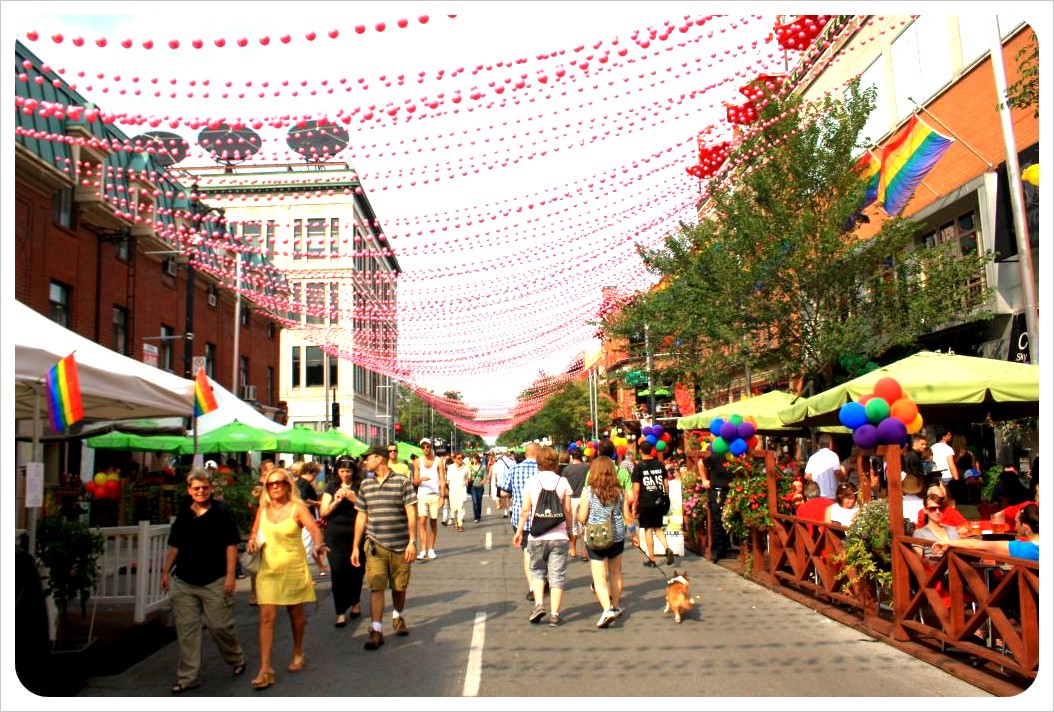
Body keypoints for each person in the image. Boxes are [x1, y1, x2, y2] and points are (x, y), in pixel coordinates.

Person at [160, 469, 246, 694]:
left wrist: (230, 575)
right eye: (196, 488)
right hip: (185, 581)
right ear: (189, 490)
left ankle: (235, 658)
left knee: (219, 626)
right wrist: (165, 571)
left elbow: (231, 543)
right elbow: (175, 545)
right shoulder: (184, 514)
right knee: (187, 631)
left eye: (204, 488)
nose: (200, 491)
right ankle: (188, 677)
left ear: (211, 489)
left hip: (214, 579)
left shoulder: (221, 511)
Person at [245, 468, 326, 690]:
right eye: (270, 484)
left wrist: (319, 545)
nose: (275, 486)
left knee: (296, 615)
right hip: (268, 569)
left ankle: (298, 650)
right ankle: (265, 669)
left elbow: (315, 530)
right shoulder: (263, 509)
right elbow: (254, 532)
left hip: (293, 568)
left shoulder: (297, 508)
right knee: (266, 618)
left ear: (288, 484)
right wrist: (252, 541)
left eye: (279, 482)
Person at [351, 445, 418, 651]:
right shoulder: (365, 485)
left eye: (367, 458)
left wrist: (412, 542)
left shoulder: (402, 482)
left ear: (379, 459)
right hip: (375, 545)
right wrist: (355, 546)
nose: (364, 462)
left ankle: (397, 616)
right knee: (376, 586)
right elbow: (362, 515)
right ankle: (376, 629)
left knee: (399, 587)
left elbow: (411, 513)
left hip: (399, 544)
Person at [513, 446, 573, 627]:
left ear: (538, 462)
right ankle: (555, 614)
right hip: (559, 535)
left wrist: (519, 531)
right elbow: (567, 511)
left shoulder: (532, 482)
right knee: (557, 575)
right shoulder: (563, 482)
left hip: (536, 535)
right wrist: (569, 531)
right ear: (555, 462)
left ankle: (539, 605)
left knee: (538, 571)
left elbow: (525, 510)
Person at [577, 455, 637, 628]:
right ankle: (616, 606)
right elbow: (627, 517)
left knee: (599, 576)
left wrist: (579, 517)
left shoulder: (588, 491)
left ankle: (607, 609)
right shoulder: (619, 491)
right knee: (616, 572)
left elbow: (582, 517)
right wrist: (634, 535)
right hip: (616, 535)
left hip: (595, 536)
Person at [319, 456, 365, 628]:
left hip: (357, 533)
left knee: (356, 570)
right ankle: (340, 611)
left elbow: (368, 507)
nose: (345, 475)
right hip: (335, 535)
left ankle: (355, 602)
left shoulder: (361, 486)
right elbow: (323, 512)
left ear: (354, 472)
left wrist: (354, 499)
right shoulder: (331, 486)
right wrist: (336, 502)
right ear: (337, 471)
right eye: (342, 471)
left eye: (348, 471)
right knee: (338, 572)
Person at [930, 504, 1039, 562]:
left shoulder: (1021, 548)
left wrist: (948, 542)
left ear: (1025, 526)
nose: (1015, 526)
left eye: (1016, 522)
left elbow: (977, 544)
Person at [503, 442, 541, 600]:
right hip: (543, 518)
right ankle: (542, 580)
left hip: (521, 519)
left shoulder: (513, 469)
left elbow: (504, 492)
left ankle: (533, 587)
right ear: (538, 453)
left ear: (525, 453)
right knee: (541, 551)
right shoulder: (543, 470)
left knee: (527, 553)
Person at [632, 442, 674, 567]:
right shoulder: (660, 465)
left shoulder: (639, 467)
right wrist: (665, 497)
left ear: (640, 452)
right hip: (658, 500)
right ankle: (667, 548)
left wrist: (635, 505)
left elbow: (636, 489)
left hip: (645, 501)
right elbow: (666, 485)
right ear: (652, 451)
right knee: (658, 527)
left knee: (648, 529)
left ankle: (652, 559)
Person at [413, 438, 446, 560]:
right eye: (423, 447)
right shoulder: (418, 462)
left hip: (435, 495)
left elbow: (442, 479)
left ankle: (431, 548)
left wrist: (442, 497)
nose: (426, 449)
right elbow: (415, 482)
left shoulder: (438, 461)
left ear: (431, 447)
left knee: (433, 522)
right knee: (422, 521)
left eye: (427, 447)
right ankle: (423, 549)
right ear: (421, 449)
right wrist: (422, 479)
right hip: (422, 495)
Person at [699, 446, 733, 563]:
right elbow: (701, 463)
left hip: (732, 491)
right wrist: (704, 480)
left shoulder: (736, 457)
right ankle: (718, 550)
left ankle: (726, 546)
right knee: (718, 521)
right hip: (718, 491)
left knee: (730, 520)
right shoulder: (715, 457)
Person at [561, 447, 590, 561]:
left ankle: (573, 549)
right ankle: (584, 551)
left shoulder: (567, 470)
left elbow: (563, 486)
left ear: (572, 457)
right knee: (584, 524)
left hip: (571, 499)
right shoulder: (587, 467)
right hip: (585, 498)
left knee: (572, 525)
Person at [294, 461, 322, 569]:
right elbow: (304, 498)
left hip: (299, 517)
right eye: (316, 474)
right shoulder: (305, 484)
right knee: (306, 544)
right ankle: (302, 570)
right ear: (312, 473)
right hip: (307, 516)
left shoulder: (298, 482)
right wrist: (317, 503)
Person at [804, 434, 842, 499]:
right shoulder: (833, 456)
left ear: (819, 445)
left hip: (817, 494)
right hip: (832, 494)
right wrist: (843, 481)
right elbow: (837, 473)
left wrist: (816, 480)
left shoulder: (813, 458)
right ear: (830, 444)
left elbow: (807, 476)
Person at [446, 452, 471, 532]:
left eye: (461, 458)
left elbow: (468, 478)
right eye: (458, 458)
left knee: (461, 507)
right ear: (454, 459)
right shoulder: (450, 468)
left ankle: (460, 525)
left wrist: (467, 483)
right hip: (453, 491)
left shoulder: (466, 468)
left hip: (462, 490)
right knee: (454, 508)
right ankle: (455, 522)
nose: (460, 460)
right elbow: (448, 480)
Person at [469, 454, 488, 523]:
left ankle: (478, 515)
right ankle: (476, 517)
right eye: (472, 459)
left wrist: (482, 482)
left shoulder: (483, 467)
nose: (472, 460)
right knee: (475, 502)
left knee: (479, 502)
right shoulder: (470, 467)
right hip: (473, 486)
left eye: (474, 459)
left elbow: (485, 477)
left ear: (477, 459)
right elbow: (468, 476)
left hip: (480, 487)